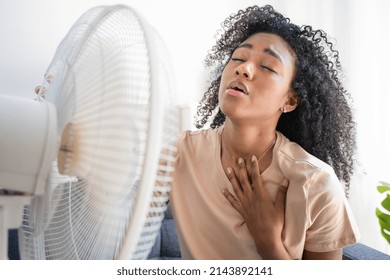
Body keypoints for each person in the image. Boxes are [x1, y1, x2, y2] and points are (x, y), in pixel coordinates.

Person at [169, 4, 360, 260]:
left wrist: (269, 243)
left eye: (268, 67)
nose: (243, 69)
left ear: (290, 101)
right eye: (238, 58)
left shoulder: (316, 185)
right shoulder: (181, 153)